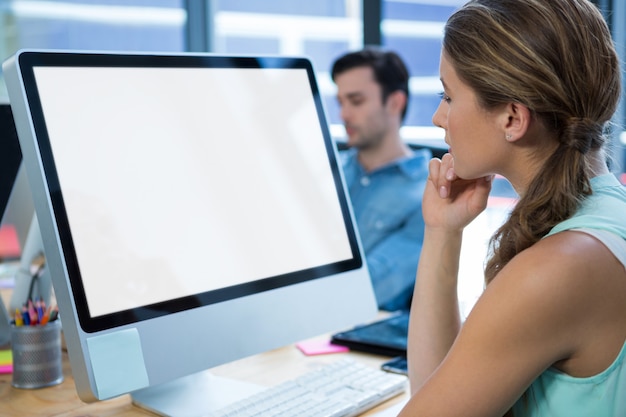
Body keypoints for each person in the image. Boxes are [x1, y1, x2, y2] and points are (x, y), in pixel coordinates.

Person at [399, 1, 626, 416]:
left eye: (448, 96)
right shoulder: (606, 220)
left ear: (512, 118)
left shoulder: (557, 270)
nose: (437, 117)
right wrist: (443, 230)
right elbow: (438, 391)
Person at [331, 48, 431, 312]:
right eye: (340, 102)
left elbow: (367, 289)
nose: (344, 114)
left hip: (355, 337)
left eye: (356, 101)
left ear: (395, 103)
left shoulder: (428, 195)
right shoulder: (327, 174)